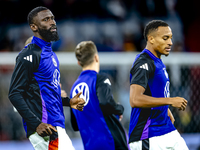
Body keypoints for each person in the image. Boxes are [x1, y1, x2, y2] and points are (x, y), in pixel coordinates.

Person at [8, 6, 85, 150]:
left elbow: (45, 94)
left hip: (55, 125)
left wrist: (69, 102)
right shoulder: (29, 54)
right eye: (46, 19)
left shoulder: (51, 55)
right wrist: (36, 123)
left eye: (52, 18)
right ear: (34, 27)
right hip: (46, 127)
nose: (52, 22)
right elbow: (14, 93)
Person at [129, 20, 189, 150]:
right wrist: (170, 101)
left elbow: (152, 92)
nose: (170, 43)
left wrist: (165, 109)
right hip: (148, 134)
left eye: (171, 38)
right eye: (165, 38)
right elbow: (135, 99)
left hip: (166, 128)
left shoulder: (157, 61)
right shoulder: (143, 62)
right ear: (151, 39)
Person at [70, 41, 129, 150]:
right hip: (110, 142)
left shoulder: (74, 89)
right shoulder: (100, 79)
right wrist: (118, 109)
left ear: (79, 62)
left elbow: (75, 124)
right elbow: (105, 103)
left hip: (90, 145)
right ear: (96, 57)